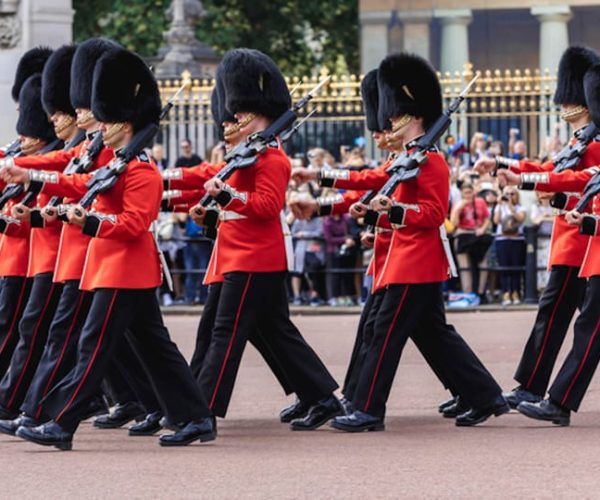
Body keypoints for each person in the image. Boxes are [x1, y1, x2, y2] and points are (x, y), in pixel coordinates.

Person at [4, 47, 215, 450]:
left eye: (109, 119)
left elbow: (135, 223)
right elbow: (81, 183)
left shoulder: (141, 170)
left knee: (92, 346)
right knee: (156, 348)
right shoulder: (116, 163)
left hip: (124, 270)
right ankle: (196, 417)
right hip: (110, 269)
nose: (100, 125)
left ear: (128, 120)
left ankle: (60, 422)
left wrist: (92, 222)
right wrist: (32, 177)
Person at [328, 52, 507, 432]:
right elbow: (371, 180)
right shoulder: (408, 158)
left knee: (385, 332)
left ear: (413, 113)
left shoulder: (433, 161)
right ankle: (484, 395)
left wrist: (392, 211)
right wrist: (328, 181)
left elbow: (431, 213)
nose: (389, 119)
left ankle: (368, 408)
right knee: (434, 335)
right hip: (403, 260)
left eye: (395, 112)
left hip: (416, 261)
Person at [181, 48, 342, 430]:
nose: (231, 119)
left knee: (225, 334)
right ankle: (318, 396)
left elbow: (267, 206)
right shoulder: (245, 155)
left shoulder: (272, 157)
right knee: (270, 332)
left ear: (258, 112)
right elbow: (213, 184)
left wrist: (225, 197)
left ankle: (201, 412)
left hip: (254, 257)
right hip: (236, 255)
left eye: (238, 113)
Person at [474, 46, 600, 408]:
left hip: (581, 240)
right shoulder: (578, 141)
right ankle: (531, 384)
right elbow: (548, 167)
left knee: (559, 317)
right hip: (573, 238)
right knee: (557, 317)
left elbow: (571, 180)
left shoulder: (593, 142)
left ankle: (533, 386)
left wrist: (525, 182)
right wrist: (503, 164)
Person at [449, 181, 492, 301]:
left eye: (470, 192)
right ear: (462, 194)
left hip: (478, 234)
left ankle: (481, 292)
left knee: (483, 264)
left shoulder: (480, 202)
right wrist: (458, 209)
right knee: (465, 267)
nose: (468, 195)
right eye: (465, 193)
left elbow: (487, 218)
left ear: (473, 192)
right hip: (463, 233)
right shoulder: (458, 204)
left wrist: (482, 229)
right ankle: (467, 294)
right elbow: (454, 224)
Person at [492, 186, 526, 305]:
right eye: (507, 194)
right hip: (502, 239)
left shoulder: (520, 207)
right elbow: (496, 221)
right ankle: (506, 292)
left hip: (517, 240)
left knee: (516, 267)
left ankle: (515, 292)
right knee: (504, 267)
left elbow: (520, 219)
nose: (510, 196)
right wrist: (501, 204)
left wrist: (511, 206)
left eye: (512, 194)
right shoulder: (499, 206)